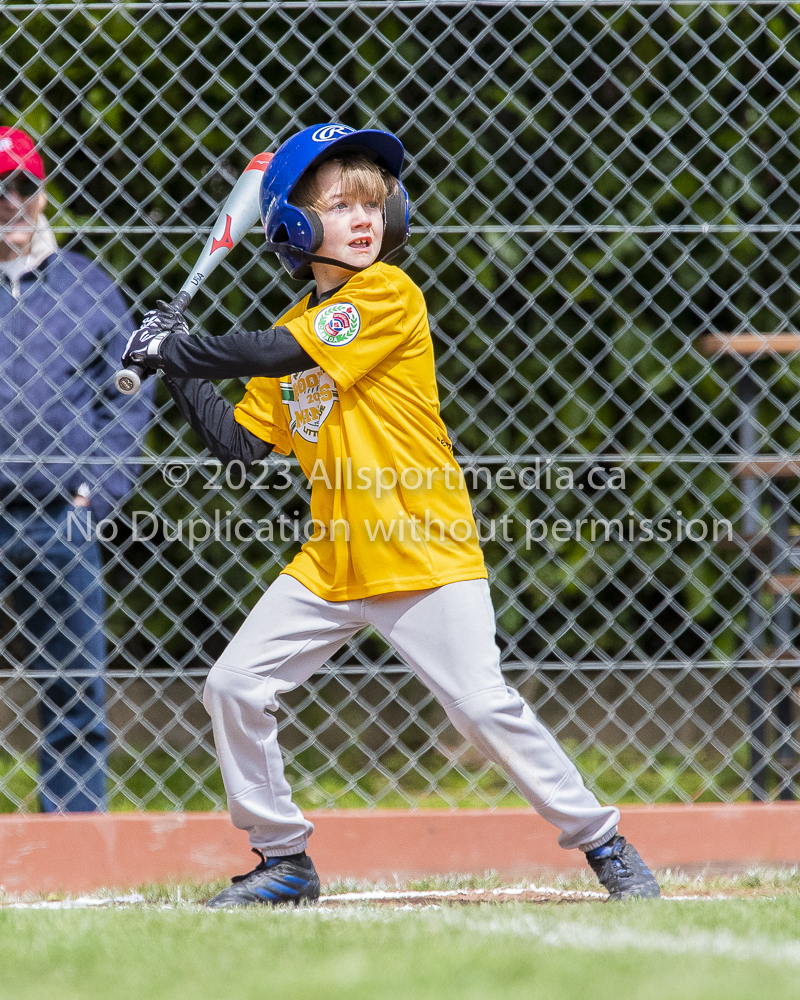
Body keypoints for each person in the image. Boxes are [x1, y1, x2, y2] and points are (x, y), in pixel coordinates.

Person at [122, 123, 660, 905]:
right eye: (340, 205)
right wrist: (179, 367)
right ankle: (284, 860)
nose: (365, 217)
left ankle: (603, 842)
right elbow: (239, 446)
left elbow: (275, 355)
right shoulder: (297, 321)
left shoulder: (385, 294)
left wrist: (179, 348)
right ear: (297, 229)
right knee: (235, 685)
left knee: (482, 707)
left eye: (374, 202)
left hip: (422, 548)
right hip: (334, 558)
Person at [0, 126, 151, 811]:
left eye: (23, 186)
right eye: (0, 190)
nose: (12, 204)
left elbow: (127, 392)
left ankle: (71, 844)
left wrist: (101, 489)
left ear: (43, 192)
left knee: (73, 688)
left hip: (61, 515)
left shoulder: (88, 286)